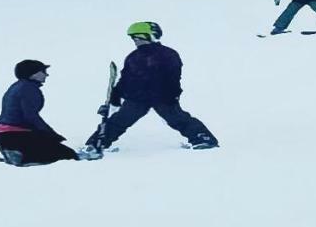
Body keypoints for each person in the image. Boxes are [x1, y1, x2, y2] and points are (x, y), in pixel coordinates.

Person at [77, 22, 218, 158]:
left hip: (162, 97)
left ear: (152, 36)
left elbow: (174, 77)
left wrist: (173, 94)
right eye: (134, 39)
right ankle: (95, 145)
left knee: (178, 119)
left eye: (139, 38)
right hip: (137, 98)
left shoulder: (168, 54)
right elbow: (125, 78)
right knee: (118, 121)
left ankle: (203, 138)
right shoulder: (133, 57)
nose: (136, 41)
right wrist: (116, 94)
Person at [0, 59, 78, 165]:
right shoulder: (29, 88)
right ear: (33, 74)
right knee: (68, 155)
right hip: (16, 134)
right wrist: (51, 134)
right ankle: (22, 157)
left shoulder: (16, 87)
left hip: (3, 134)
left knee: (50, 147)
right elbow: (30, 116)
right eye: (43, 71)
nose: (46, 75)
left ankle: (15, 151)